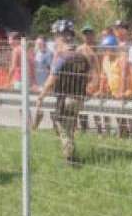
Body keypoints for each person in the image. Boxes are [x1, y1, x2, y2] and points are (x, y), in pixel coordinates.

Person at [36, 20, 91, 166]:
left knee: (63, 128)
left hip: (65, 99)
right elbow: (89, 77)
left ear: (62, 37)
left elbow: (51, 79)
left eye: (56, 36)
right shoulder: (82, 57)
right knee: (70, 126)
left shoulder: (62, 58)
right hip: (79, 99)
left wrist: (41, 96)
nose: (54, 40)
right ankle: (71, 153)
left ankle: (70, 160)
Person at [100, 36, 132, 137]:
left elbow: (125, 76)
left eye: (109, 48)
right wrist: (102, 89)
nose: (107, 51)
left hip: (125, 90)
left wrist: (121, 91)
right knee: (118, 114)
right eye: (105, 48)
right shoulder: (105, 59)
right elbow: (104, 76)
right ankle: (123, 134)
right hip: (113, 91)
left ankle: (131, 134)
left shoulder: (121, 58)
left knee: (128, 114)